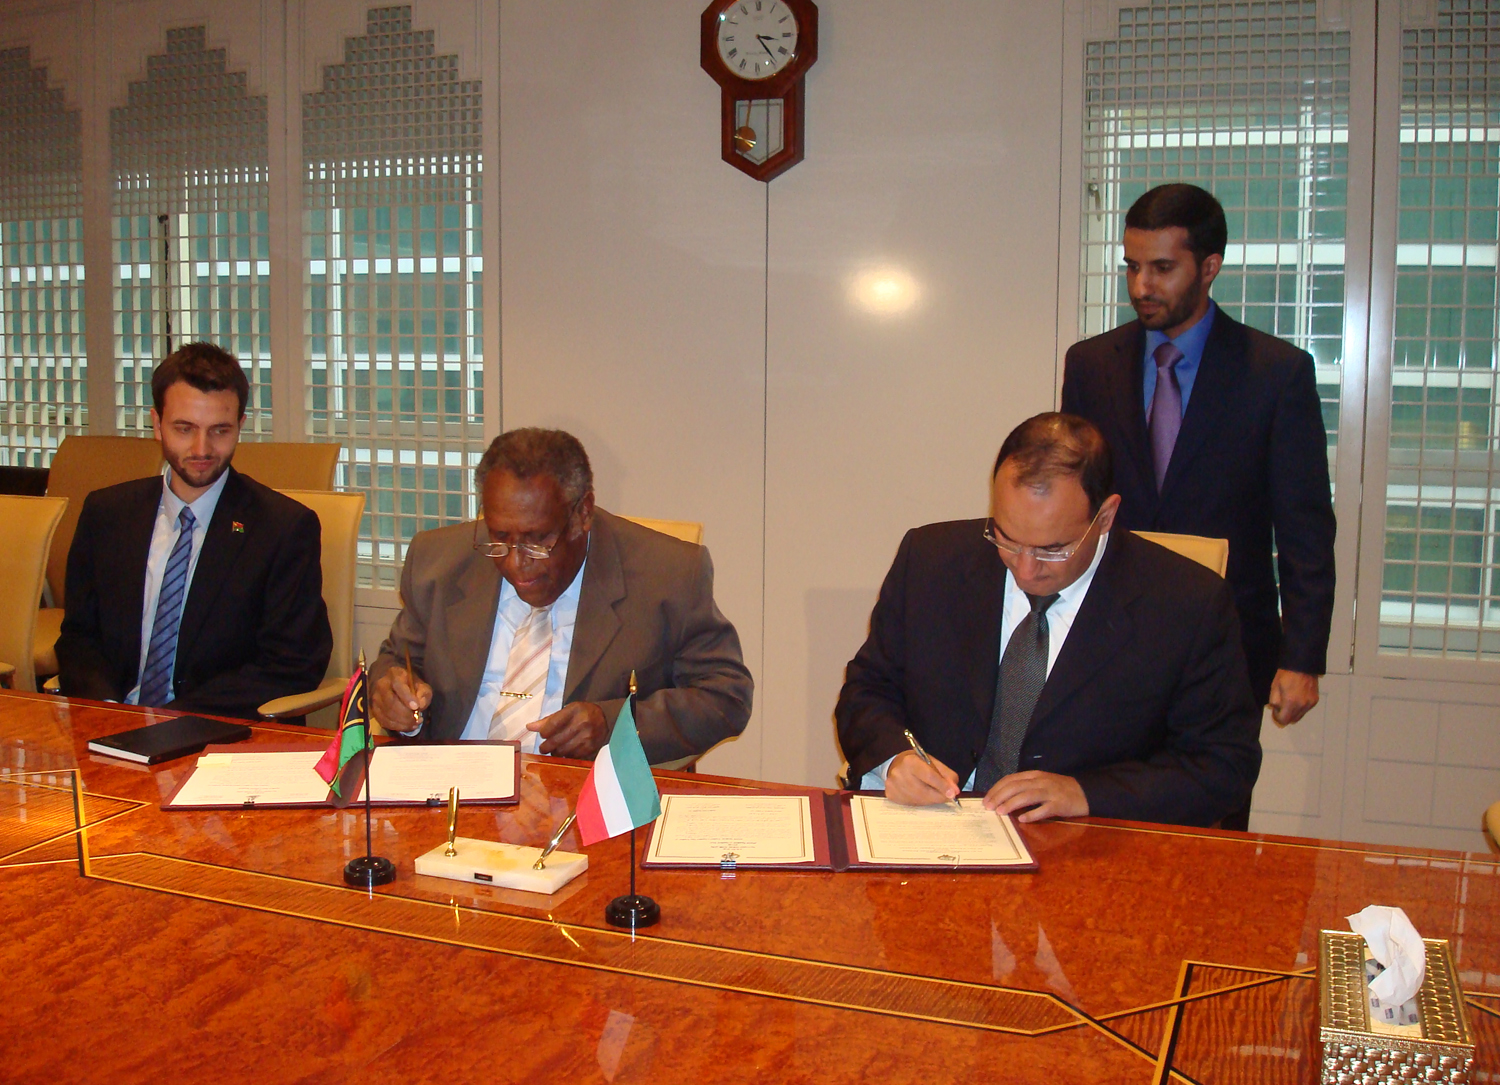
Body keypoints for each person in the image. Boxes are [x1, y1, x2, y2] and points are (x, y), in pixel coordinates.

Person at [834, 413, 1261, 829]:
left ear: (1106, 518)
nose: (1024, 570)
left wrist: (1087, 794)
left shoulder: (1186, 603)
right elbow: (867, 690)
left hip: (1087, 855)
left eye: (1052, 549)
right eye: (1005, 537)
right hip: (935, 837)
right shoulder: (931, 559)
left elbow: (1223, 766)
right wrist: (895, 760)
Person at [1060, 183, 1336, 739]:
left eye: (1162, 268)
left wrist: (1302, 657)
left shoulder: (1275, 373)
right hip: (1109, 640)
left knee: (1212, 817)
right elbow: (1075, 503)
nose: (1142, 286)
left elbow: (1305, 527)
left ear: (1209, 267)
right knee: (1101, 815)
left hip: (1226, 645)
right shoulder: (1092, 364)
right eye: (1132, 267)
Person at [370, 427, 753, 765]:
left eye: (538, 542)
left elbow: (726, 697)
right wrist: (392, 692)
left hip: (580, 800)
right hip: (451, 784)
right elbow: (396, 661)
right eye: (500, 539)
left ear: (582, 513)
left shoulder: (668, 574)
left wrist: (613, 726)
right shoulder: (437, 561)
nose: (518, 564)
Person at [56, 343, 332, 719]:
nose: (202, 449)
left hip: (219, 734)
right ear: (157, 424)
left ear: (240, 427)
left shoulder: (283, 528)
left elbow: (292, 665)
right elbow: (78, 638)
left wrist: (170, 721)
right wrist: (109, 710)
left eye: (219, 430)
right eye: (184, 429)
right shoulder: (106, 514)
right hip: (112, 726)